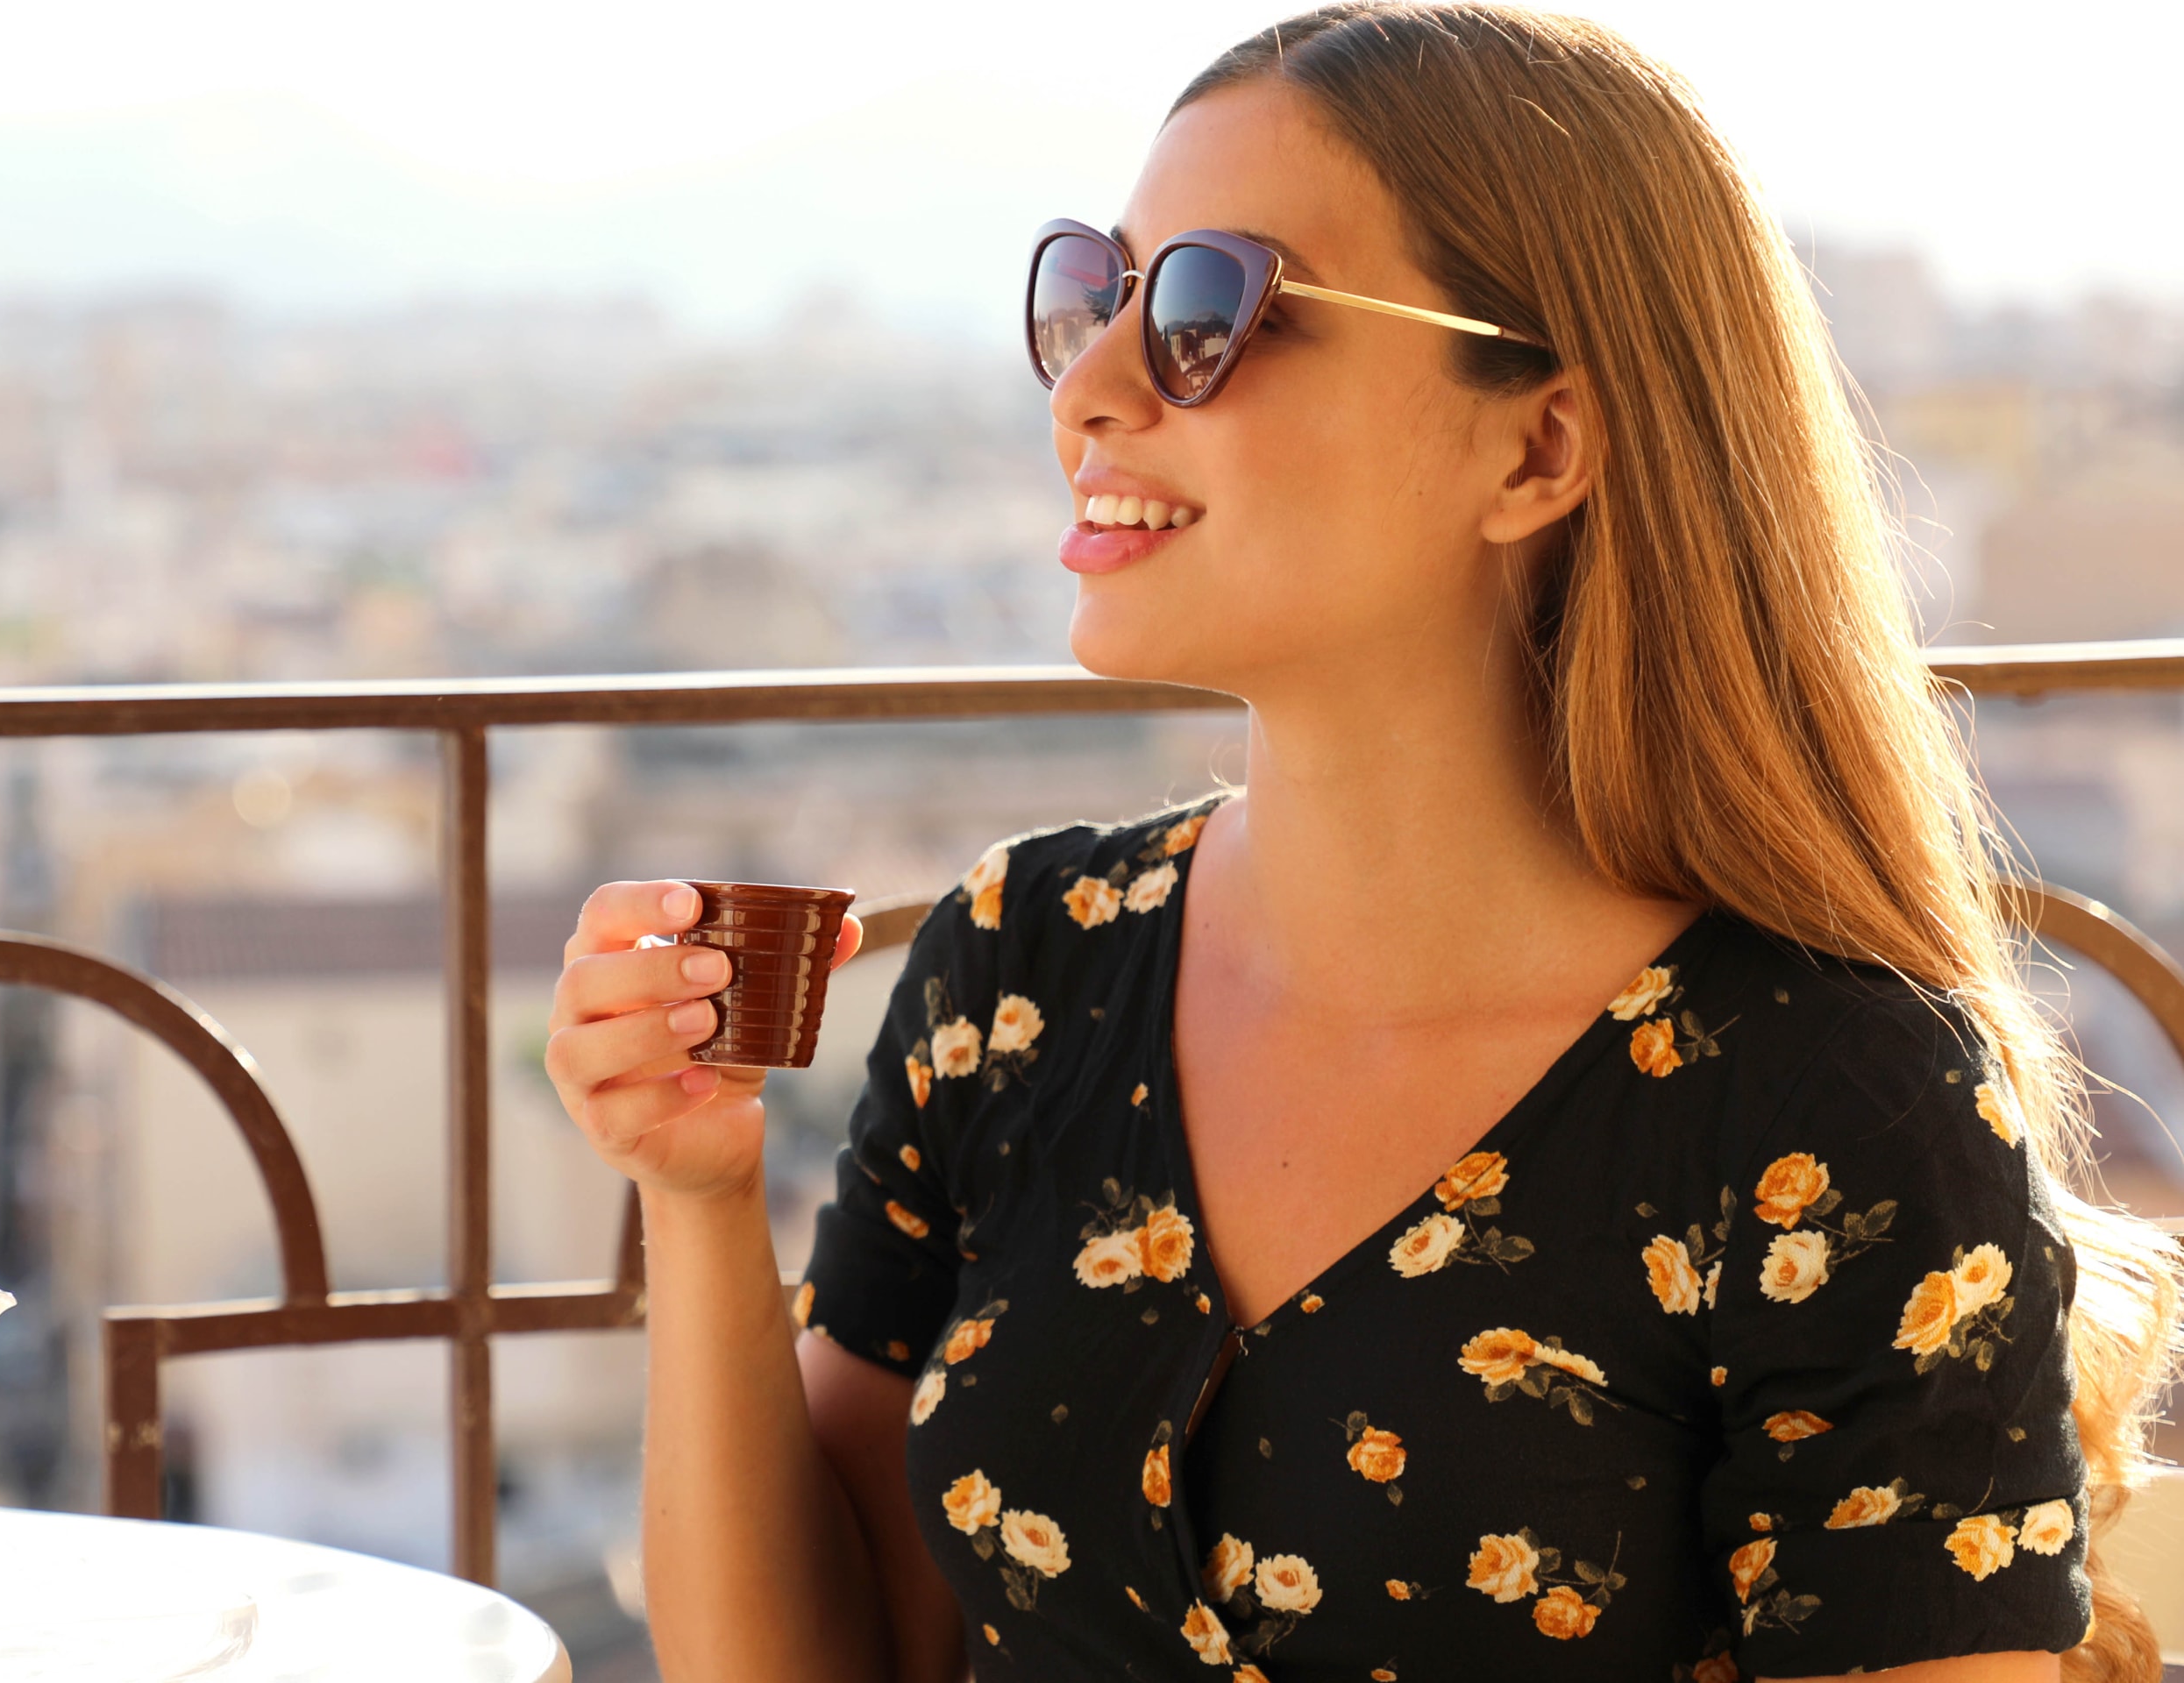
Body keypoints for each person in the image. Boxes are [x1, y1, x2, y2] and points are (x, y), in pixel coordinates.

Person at [544, 5, 2183, 1679]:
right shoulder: (1021, 967)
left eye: (1206, 311)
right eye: (1095, 293)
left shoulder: (1824, 1108)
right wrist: (699, 1195)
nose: (1092, 388)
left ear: (1537, 444)